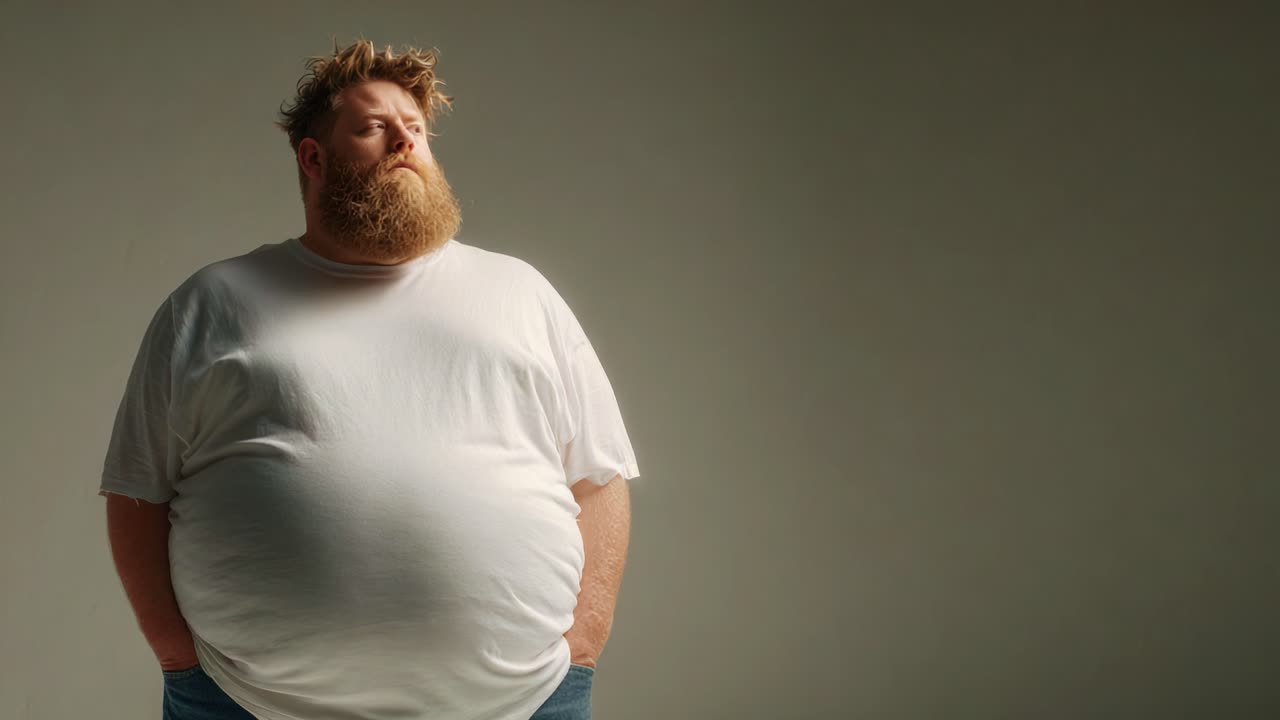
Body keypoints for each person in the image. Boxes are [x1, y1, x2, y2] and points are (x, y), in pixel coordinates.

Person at [100, 39, 640, 720]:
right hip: (245, 703)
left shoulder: (522, 293)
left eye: (415, 128)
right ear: (314, 158)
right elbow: (136, 489)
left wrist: (584, 645)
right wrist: (177, 657)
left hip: (525, 702)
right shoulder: (212, 303)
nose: (405, 142)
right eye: (374, 127)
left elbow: (599, 477)